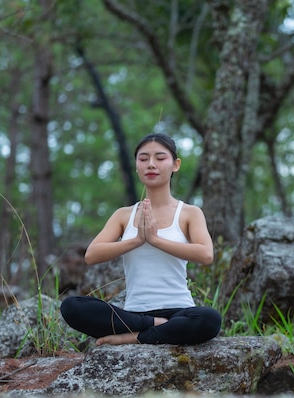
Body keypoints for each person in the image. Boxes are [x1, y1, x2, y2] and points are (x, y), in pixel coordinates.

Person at [60, 133, 222, 346]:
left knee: (209, 319)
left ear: (175, 164)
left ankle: (136, 337)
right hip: (134, 314)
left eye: (160, 158)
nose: (151, 164)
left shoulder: (189, 213)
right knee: (71, 306)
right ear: (137, 166)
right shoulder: (124, 215)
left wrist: (155, 240)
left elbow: (206, 254)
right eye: (143, 159)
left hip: (180, 311)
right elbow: (92, 255)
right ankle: (153, 325)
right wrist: (136, 240)